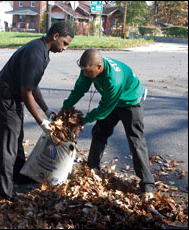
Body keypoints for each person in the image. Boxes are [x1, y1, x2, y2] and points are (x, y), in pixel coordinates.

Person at [0, 21, 74, 202]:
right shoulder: (35, 53)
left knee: (16, 137)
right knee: (7, 146)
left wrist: (46, 109)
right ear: (55, 36)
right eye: (65, 43)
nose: (65, 48)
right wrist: (41, 122)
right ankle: (5, 192)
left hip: (11, 97)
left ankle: (19, 176)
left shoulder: (42, 50)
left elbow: (32, 85)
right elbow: (26, 93)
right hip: (3, 97)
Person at [58, 49, 155, 202]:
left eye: (89, 72)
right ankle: (92, 170)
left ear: (99, 67)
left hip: (130, 101)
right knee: (99, 133)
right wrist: (64, 108)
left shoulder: (113, 79)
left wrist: (83, 121)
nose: (86, 75)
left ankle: (147, 186)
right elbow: (79, 90)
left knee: (136, 142)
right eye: (83, 71)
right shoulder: (88, 68)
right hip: (111, 100)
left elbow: (104, 109)